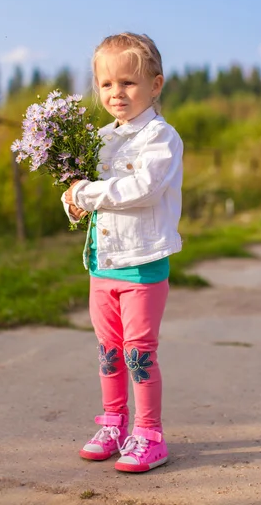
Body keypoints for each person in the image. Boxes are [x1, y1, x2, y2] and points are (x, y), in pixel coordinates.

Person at [62, 32, 183, 473]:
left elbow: (143, 189)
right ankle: (114, 423)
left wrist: (87, 193)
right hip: (102, 264)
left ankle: (150, 434)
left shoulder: (160, 138)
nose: (116, 93)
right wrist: (72, 200)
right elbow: (80, 193)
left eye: (128, 83)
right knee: (108, 350)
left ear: (155, 84)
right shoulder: (98, 138)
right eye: (107, 84)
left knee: (138, 352)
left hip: (143, 264)